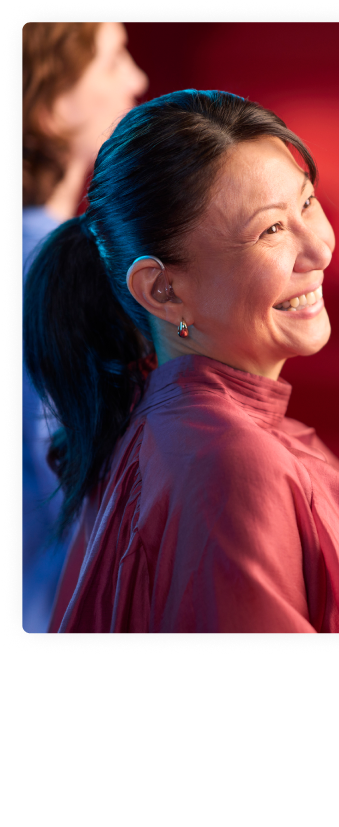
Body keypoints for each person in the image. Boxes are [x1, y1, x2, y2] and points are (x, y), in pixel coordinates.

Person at [24, 89, 339, 634]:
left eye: (306, 203)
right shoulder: (231, 464)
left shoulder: (164, 426)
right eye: (270, 230)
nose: (321, 250)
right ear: (163, 290)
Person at [22, 22, 148, 632]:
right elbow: (69, 476)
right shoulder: (51, 268)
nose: (138, 80)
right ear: (48, 106)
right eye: (113, 60)